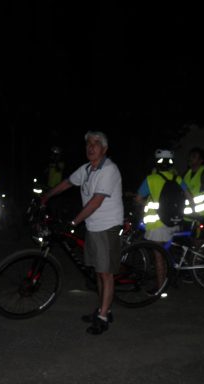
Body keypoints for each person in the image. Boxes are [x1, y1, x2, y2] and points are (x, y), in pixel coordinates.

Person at [41, 131, 123, 335]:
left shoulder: (109, 170)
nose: (90, 147)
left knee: (106, 273)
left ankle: (103, 317)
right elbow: (68, 182)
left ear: (104, 149)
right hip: (93, 226)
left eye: (95, 143)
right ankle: (104, 308)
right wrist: (47, 196)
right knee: (98, 271)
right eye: (88, 143)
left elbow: (96, 202)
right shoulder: (87, 169)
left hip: (107, 226)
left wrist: (73, 222)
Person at [135, 149, 193, 290]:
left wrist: (147, 203)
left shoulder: (151, 179)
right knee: (167, 252)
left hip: (157, 223)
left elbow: (138, 199)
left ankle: (161, 288)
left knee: (159, 256)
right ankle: (170, 279)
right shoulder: (178, 178)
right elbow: (190, 197)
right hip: (174, 222)